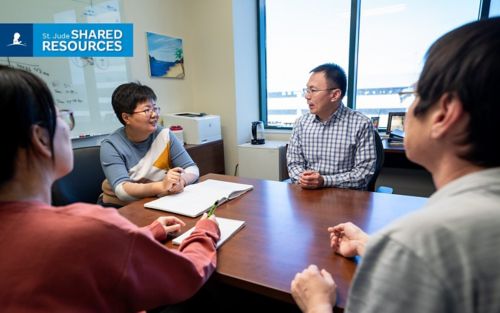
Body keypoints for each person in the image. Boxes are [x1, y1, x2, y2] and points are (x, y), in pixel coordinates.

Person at [291, 17, 500, 313]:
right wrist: (370, 244)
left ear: (444, 114)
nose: (408, 107)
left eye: (414, 94)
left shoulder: (415, 242)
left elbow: (418, 252)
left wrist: (317, 305)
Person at [0, 65, 220, 312]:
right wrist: (205, 232)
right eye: (61, 115)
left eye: (154, 108)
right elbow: (186, 276)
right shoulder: (93, 227)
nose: (153, 114)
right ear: (40, 138)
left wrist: (149, 232)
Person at [100, 82, 200, 207]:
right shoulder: (111, 146)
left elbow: (192, 169)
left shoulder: (164, 134)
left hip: (157, 201)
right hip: (122, 206)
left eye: (155, 108)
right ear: (126, 117)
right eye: (147, 110)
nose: (155, 114)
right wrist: (162, 186)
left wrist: (182, 181)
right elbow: (122, 191)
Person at [287, 63, 376, 190]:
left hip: (346, 198)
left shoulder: (361, 124)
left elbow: (363, 174)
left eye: (313, 90)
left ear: (335, 95)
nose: (307, 96)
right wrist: (304, 179)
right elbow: (294, 164)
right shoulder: (301, 123)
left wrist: (324, 181)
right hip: (308, 195)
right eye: (307, 90)